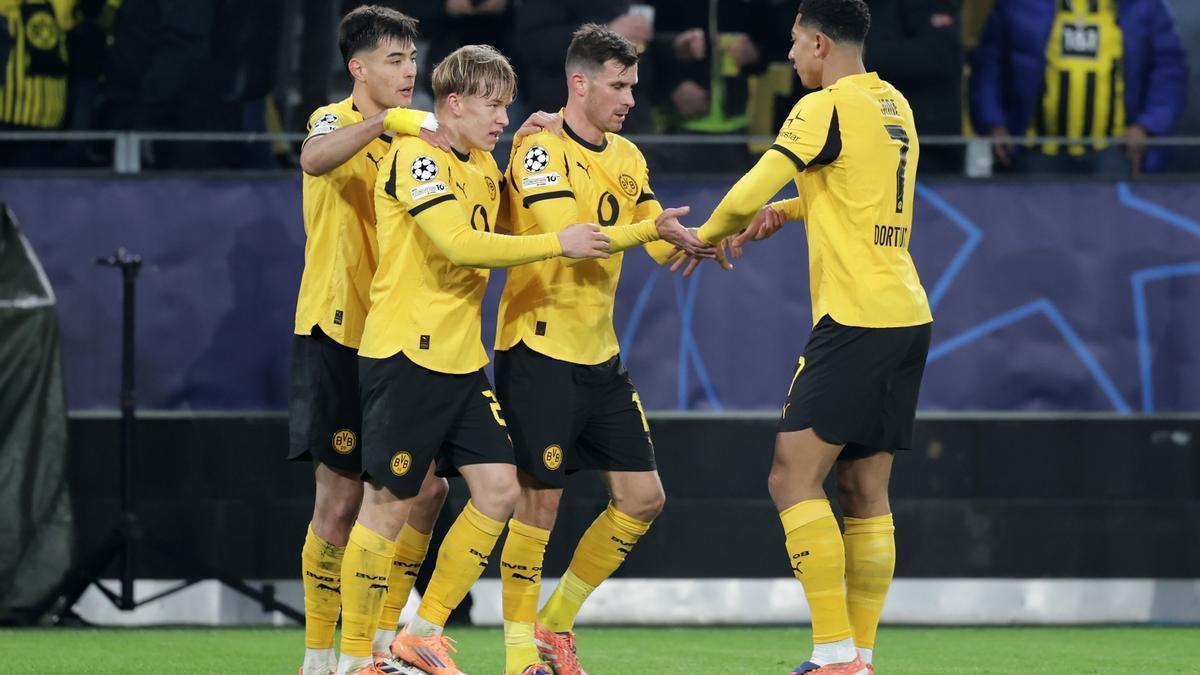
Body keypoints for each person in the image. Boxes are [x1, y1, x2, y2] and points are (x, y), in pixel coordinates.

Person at [336, 44, 614, 675]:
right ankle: (357, 662)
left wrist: (536, 140)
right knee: (388, 504)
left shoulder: (486, 163)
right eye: (493, 105)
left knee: (498, 491)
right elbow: (460, 246)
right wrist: (557, 241)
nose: (501, 117)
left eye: (507, 106)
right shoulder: (416, 157)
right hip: (405, 353)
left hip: (462, 362)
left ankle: (422, 630)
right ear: (454, 103)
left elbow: (514, 214)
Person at [689, 1, 932, 673]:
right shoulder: (893, 103)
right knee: (863, 492)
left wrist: (701, 236)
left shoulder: (820, 107)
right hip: (907, 314)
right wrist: (790, 210)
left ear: (820, 43)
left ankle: (832, 655)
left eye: (795, 44)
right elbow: (868, 192)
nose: (791, 56)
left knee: (791, 476)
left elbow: (744, 189)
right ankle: (859, 657)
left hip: (855, 319)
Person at [493, 24, 713, 675]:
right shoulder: (537, 148)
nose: (628, 99)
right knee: (541, 500)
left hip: (599, 356)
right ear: (579, 83)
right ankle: (515, 659)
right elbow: (574, 233)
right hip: (538, 346)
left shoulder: (627, 155)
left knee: (643, 497)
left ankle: (553, 625)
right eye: (617, 86)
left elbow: (652, 232)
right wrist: (651, 226)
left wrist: (699, 238)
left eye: (633, 86)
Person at [289, 8, 454, 675]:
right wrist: (384, 122)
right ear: (357, 68)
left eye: (412, 57)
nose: (409, 70)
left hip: (397, 339)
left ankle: (385, 641)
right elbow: (312, 157)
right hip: (336, 328)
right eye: (393, 58)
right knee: (340, 500)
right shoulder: (336, 120)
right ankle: (317, 657)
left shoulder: (418, 139)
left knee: (428, 490)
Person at [969, 0, 1187, 176]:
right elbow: (988, 65)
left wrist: (1148, 125)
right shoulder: (1017, 5)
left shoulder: (1142, 6)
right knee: (1033, 229)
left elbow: (1169, 70)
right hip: (1034, 150)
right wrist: (993, 122)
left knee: (1108, 229)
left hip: (1112, 151)